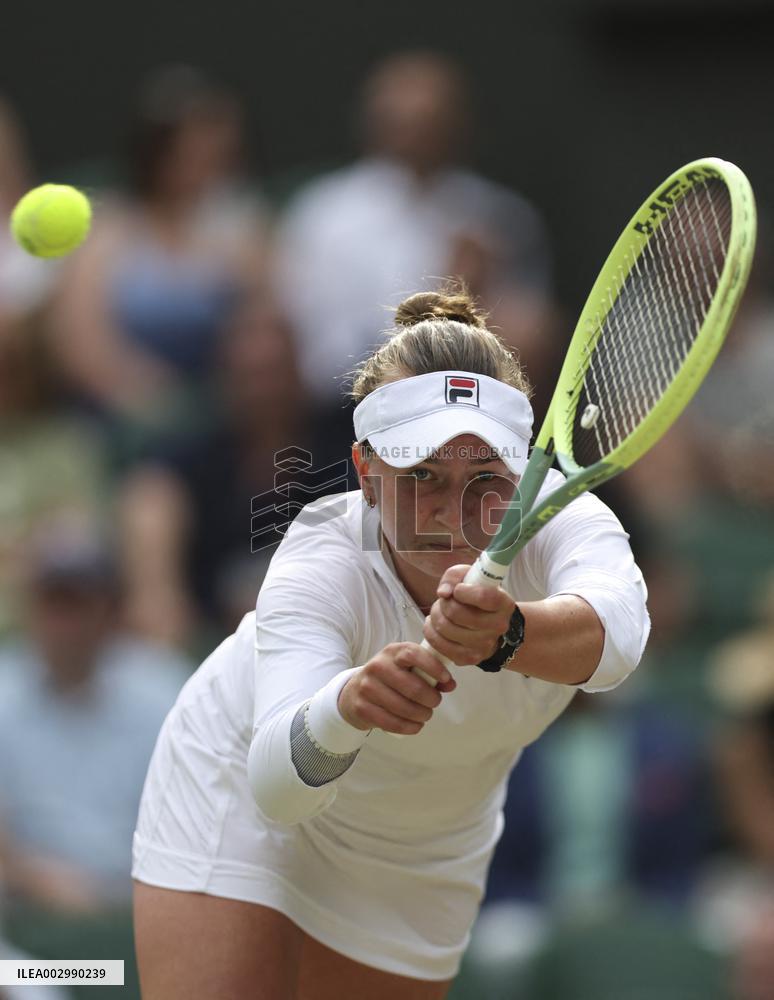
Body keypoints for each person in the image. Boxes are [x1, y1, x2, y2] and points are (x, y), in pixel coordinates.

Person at [132, 286, 649, 999]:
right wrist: (348, 706)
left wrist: (507, 633)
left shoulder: (569, 522)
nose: (454, 510)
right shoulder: (319, 556)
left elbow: (619, 643)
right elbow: (279, 791)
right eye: (424, 476)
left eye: (485, 479)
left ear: (524, 470)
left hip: (427, 845)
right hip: (235, 791)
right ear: (368, 474)